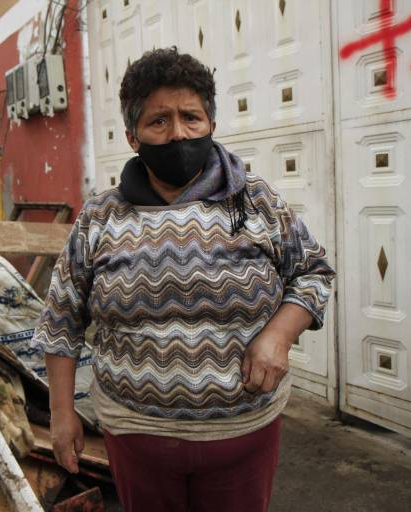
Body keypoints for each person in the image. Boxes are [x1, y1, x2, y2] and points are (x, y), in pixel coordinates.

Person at [31, 47, 336, 512]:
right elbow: (62, 319)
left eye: (191, 117)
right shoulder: (100, 218)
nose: (178, 133)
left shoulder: (254, 202)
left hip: (244, 432)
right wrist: (61, 414)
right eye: (159, 121)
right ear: (133, 136)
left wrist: (279, 335)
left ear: (211, 123)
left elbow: (312, 272)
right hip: (136, 436)